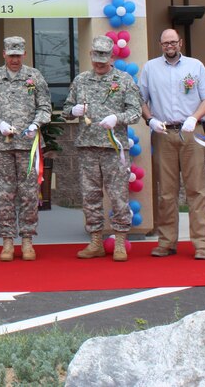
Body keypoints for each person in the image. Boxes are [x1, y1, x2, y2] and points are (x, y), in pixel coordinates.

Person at [62, 37, 142, 261]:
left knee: (118, 196)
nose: (99, 63)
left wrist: (117, 117)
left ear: (113, 57)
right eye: (96, 58)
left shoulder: (124, 80)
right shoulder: (81, 80)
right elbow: (66, 109)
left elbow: (135, 112)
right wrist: (73, 111)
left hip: (113, 148)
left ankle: (119, 241)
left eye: (103, 59)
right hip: (88, 147)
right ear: (90, 55)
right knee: (90, 196)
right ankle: (96, 240)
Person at [139, 29, 205, 260]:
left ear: (180, 43)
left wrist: (194, 117)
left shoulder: (196, 65)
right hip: (164, 133)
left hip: (191, 132)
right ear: (160, 45)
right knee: (166, 193)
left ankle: (201, 244)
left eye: (173, 42)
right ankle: (166, 242)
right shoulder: (150, 68)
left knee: (197, 191)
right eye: (165, 43)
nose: (169, 46)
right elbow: (140, 99)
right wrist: (150, 119)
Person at [0, 35, 52, 262]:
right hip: (2, 145)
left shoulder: (34, 76)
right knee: (5, 195)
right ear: (4, 54)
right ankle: (7, 240)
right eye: (11, 55)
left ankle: (27, 240)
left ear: (24, 55)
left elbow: (45, 106)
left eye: (18, 55)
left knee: (29, 195)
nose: (15, 60)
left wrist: (36, 124)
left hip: (29, 145)